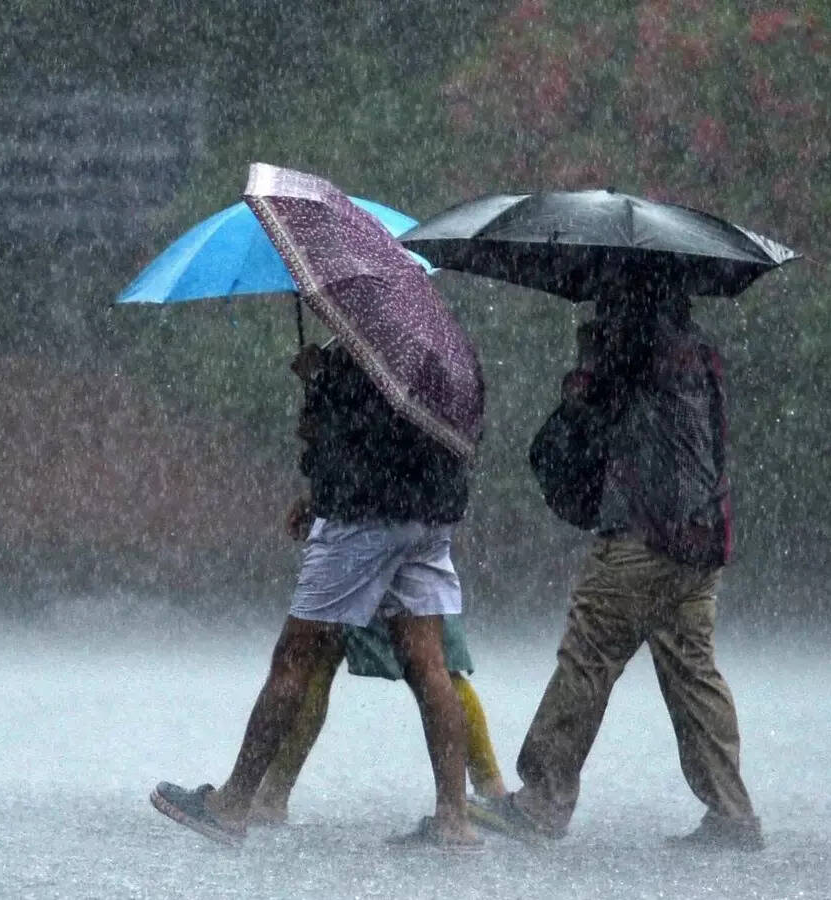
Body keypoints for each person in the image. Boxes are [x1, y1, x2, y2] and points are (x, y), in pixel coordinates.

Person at [150, 342, 481, 849]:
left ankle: (233, 803)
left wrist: (320, 386)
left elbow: (350, 439)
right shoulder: (440, 350)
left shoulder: (362, 351)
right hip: (431, 514)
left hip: (364, 517)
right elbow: (422, 437)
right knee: (429, 663)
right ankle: (454, 819)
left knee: (296, 656)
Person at [470, 287, 763, 850]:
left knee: (588, 657)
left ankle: (541, 801)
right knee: (693, 672)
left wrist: (589, 362)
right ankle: (732, 812)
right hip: (703, 537)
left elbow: (583, 421)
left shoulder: (631, 347)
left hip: (642, 536)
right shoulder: (699, 350)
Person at [246, 610, 508, 827]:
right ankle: (488, 790)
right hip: (413, 569)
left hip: (357, 569)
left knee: (318, 655)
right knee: (436, 662)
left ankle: (272, 796)